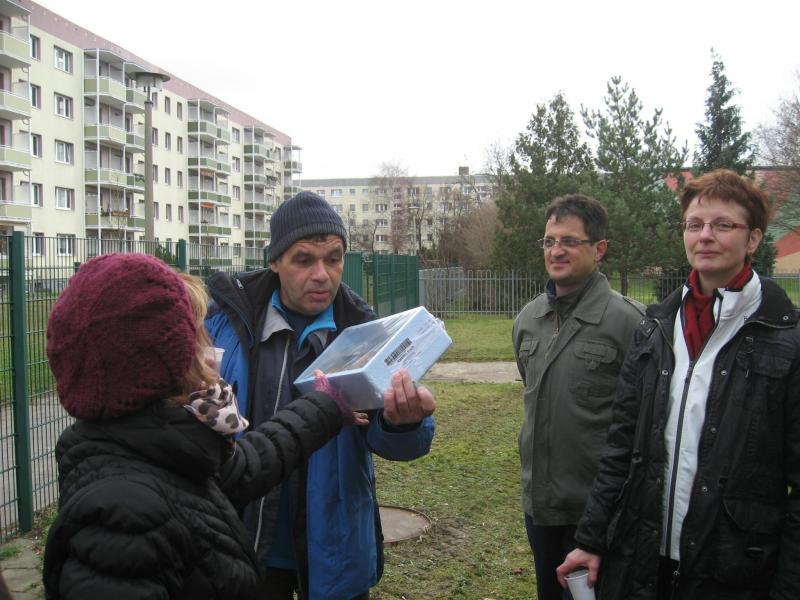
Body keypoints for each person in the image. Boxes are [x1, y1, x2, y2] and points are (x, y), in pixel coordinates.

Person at [42, 253, 357, 600]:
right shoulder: (122, 520)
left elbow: (246, 466)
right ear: (159, 364)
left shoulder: (162, 444)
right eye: (196, 334)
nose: (209, 346)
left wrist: (325, 405)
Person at [558, 169, 800, 599]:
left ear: (753, 239)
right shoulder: (655, 328)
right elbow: (620, 447)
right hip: (646, 559)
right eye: (694, 224)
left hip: (735, 570)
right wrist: (592, 539)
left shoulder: (786, 337)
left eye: (722, 224)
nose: (705, 235)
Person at [205, 191, 436, 600]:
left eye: (333, 258)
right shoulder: (224, 325)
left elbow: (396, 444)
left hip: (335, 549)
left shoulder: (363, 331)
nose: (322, 275)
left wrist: (404, 423)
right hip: (242, 544)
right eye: (304, 259)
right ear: (275, 261)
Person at [513, 194, 644, 600]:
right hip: (540, 509)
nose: (556, 251)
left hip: (598, 514)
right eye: (549, 241)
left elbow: (644, 428)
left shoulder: (630, 324)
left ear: (599, 249)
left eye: (570, 241)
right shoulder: (528, 319)